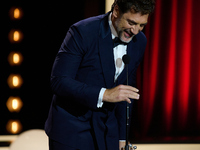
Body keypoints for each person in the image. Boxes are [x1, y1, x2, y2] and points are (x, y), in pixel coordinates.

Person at [45, 0, 155, 150]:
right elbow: (59, 81)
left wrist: (123, 137)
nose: (136, 31)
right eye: (131, 22)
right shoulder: (82, 31)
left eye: (142, 25)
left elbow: (125, 93)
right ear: (116, 11)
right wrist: (105, 94)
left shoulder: (139, 42)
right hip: (72, 130)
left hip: (107, 132)